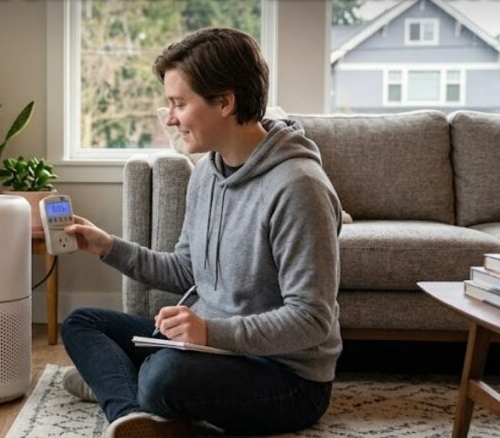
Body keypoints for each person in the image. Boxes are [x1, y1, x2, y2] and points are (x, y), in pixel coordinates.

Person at [61, 28, 343, 438]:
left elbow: (311, 320)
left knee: (163, 376)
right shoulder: (208, 171)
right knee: (82, 323)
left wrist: (210, 331)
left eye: (179, 103)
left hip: (286, 377)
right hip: (208, 349)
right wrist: (108, 247)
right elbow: (186, 269)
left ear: (225, 102)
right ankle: (132, 414)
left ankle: (124, 388)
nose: (170, 118)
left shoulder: (299, 187)